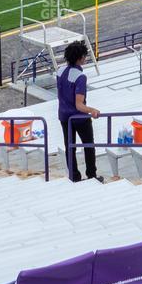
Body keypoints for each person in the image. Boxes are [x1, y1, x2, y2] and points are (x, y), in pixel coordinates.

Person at [57, 41, 102, 183]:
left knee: (70, 147)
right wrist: (92, 110)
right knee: (89, 145)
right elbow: (79, 105)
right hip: (79, 117)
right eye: (84, 56)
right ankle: (91, 175)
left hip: (64, 116)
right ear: (80, 58)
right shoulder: (80, 77)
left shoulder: (60, 71)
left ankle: (74, 176)